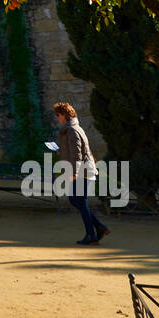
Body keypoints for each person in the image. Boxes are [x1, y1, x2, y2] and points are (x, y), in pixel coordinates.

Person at [54, 102, 110, 245]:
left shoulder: (72, 130)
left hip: (82, 172)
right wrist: (61, 151)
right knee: (76, 200)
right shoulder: (73, 129)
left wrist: (74, 173)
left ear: (64, 115)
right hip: (84, 170)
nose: (57, 118)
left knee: (79, 201)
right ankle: (99, 228)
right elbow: (76, 151)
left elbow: (77, 155)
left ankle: (92, 235)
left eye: (58, 115)